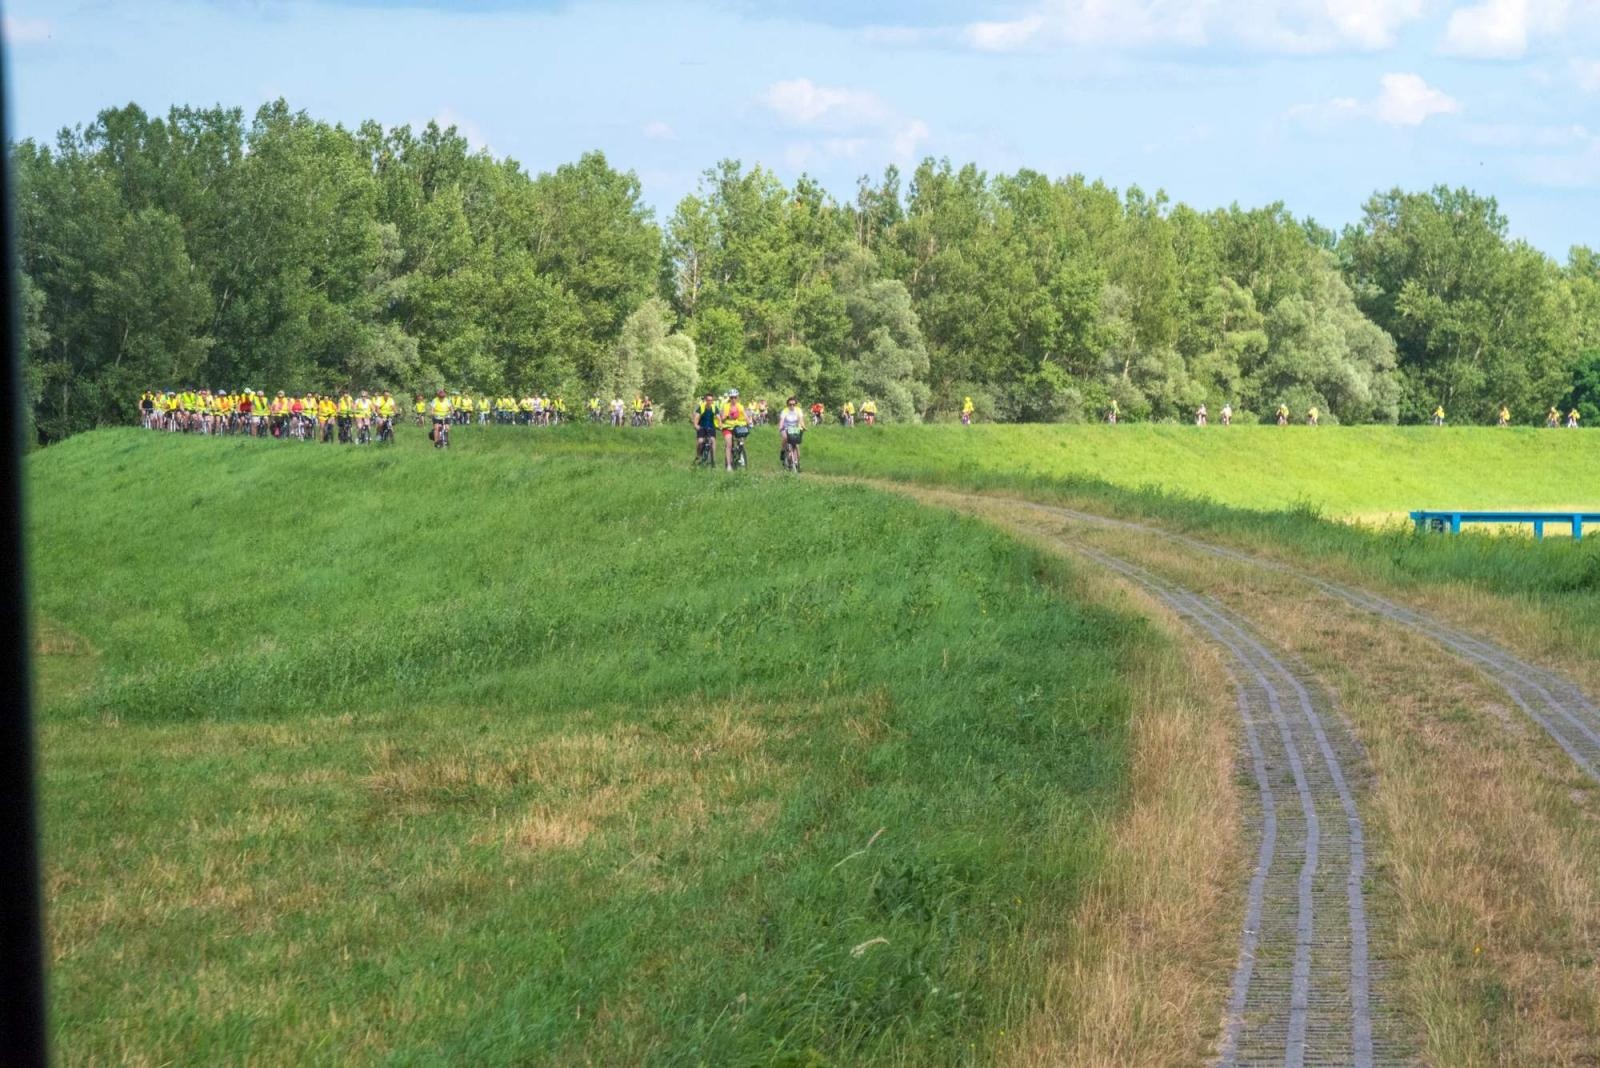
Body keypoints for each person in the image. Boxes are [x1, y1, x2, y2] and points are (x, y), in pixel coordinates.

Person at [717, 389, 748, 470]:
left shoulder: (740, 406)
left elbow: (745, 416)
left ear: (737, 398)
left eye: (735, 397)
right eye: (732, 397)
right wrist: (727, 417)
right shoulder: (726, 406)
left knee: (741, 441)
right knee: (729, 444)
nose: (733, 399)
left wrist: (750, 422)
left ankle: (741, 455)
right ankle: (729, 465)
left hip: (738, 427)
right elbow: (722, 418)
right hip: (727, 427)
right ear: (729, 398)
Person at [777, 395, 805, 469]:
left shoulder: (798, 410)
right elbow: (782, 420)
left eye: (793, 404)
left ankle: (797, 463)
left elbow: (801, 420)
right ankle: (783, 451)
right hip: (785, 428)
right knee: (785, 438)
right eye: (790, 404)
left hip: (795, 428)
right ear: (787, 405)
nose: (792, 406)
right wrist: (780, 427)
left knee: (796, 446)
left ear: (796, 404)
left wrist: (803, 427)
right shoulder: (785, 411)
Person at [694, 393, 718, 464]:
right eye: (708, 400)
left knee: (713, 440)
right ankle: (698, 456)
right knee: (700, 441)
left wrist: (720, 425)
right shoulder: (701, 407)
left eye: (711, 400)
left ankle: (713, 459)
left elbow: (718, 417)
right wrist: (696, 425)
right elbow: (696, 417)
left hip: (711, 427)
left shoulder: (714, 407)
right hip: (701, 427)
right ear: (705, 400)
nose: (709, 402)